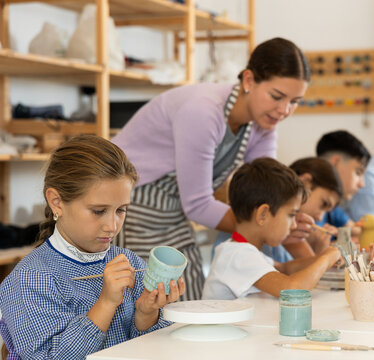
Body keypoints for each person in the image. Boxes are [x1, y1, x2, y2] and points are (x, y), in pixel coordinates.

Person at [112, 38, 311, 300]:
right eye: (277, 96)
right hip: (134, 202)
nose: (284, 110)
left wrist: (288, 219)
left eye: (294, 101)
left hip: (176, 210)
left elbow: (270, 196)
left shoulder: (265, 124)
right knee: (153, 302)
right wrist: (270, 223)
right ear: (249, 81)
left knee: (189, 296)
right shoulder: (204, 111)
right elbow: (198, 204)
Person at [0, 135, 185, 360]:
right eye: (98, 211)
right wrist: (106, 303)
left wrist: (147, 314)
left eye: (121, 210)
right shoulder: (31, 279)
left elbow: (155, 351)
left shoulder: (130, 263)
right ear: (56, 201)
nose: (112, 225)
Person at [202, 158, 341, 300]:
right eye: (291, 215)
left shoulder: (245, 250)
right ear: (263, 214)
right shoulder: (237, 255)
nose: (293, 225)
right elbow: (291, 289)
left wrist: (327, 259)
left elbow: (285, 269)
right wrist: (326, 258)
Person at [211, 157, 342, 262]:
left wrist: (322, 255)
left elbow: (286, 269)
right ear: (306, 182)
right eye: (323, 204)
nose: (320, 217)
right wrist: (323, 259)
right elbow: (288, 282)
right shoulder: (240, 251)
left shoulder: (277, 234)